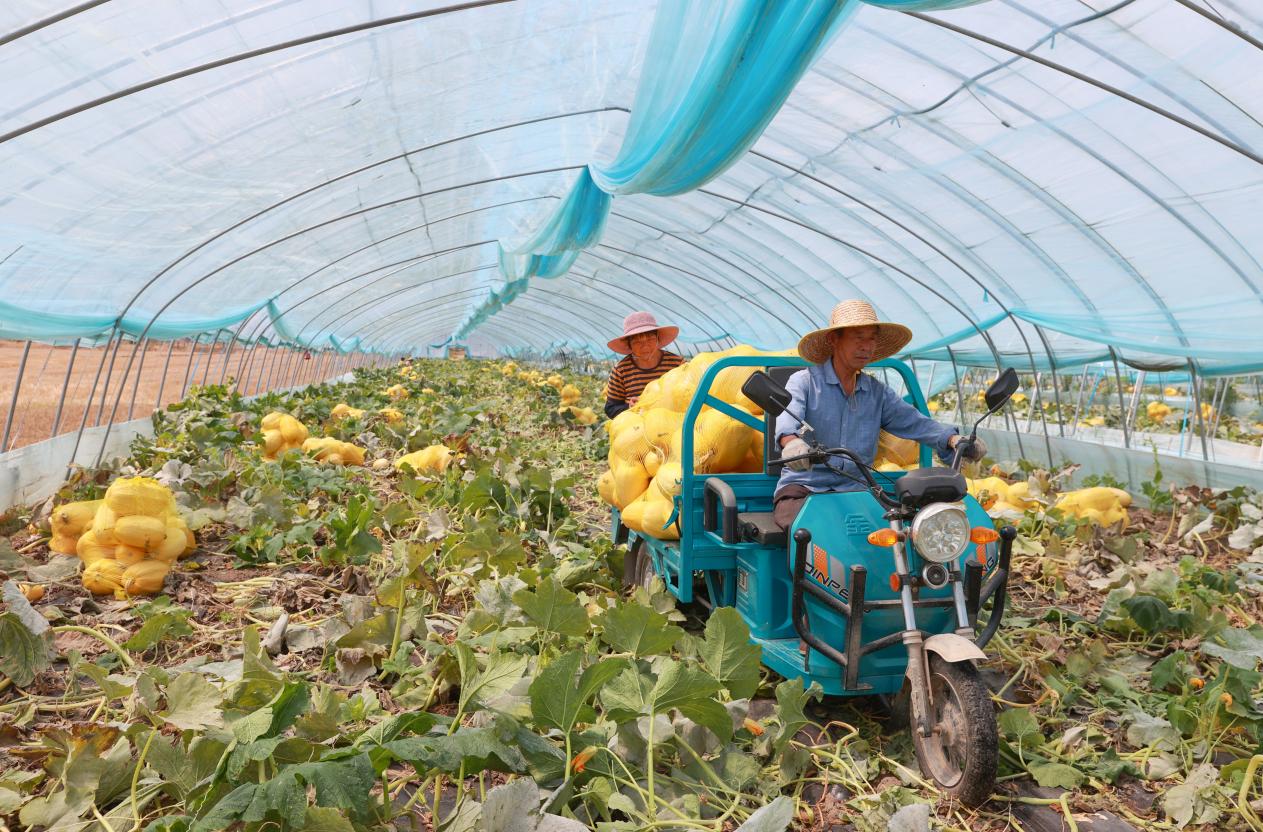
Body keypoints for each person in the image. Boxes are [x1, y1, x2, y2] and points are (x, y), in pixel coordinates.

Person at [773, 299, 986, 531]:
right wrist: (792, 443)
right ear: (834, 339)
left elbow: (914, 422)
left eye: (872, 338)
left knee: (902, 536)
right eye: (858, 337)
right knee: (809, 533)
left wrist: (953, 440)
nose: (866, 346)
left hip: (858, 489)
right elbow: (788, 419)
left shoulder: (876, 392)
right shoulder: (804, 382)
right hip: (805, 487)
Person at [604, 312, 684, 419]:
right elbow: (611, 408)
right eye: (637, 341)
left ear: (657, 339)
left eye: (650, 339)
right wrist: (630, 407)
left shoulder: (677, 363)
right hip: (636, 428)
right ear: (629, 345)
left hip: (675, 423)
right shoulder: (621, 370)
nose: (645, 346)